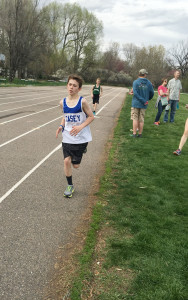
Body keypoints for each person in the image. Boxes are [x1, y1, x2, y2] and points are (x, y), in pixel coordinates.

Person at [56, 74, 94, 198]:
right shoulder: (62, 102)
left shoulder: (82, 101)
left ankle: (83, 149)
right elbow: (65, 116)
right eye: (70, 84)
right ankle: (70, 186)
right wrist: (61, 126)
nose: (71, 87)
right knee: (67, 161)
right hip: (67, 136)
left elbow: (91, 116)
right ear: (67, 86)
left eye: (75, 85)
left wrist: (80, 127)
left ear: (79, 89)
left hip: (81, 137)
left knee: (76, 165)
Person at [131, 69, 154, 137]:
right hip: (144, 103)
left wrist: (143, 100)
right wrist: (146, 99)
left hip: (136, 102)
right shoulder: (149, 83)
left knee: (135, 118)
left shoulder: (135, 82)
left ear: (139, 73)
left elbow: (135, 93)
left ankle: (134, 133)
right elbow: (152, 93)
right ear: (145, 74)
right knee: (141, 119)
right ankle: (140, 134)